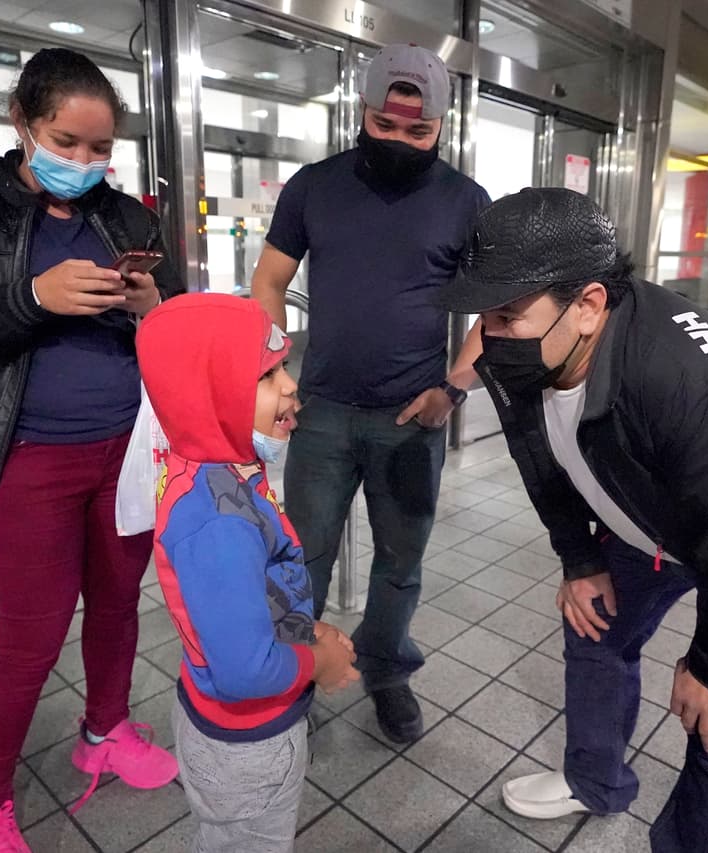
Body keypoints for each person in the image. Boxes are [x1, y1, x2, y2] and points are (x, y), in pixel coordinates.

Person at [438, 187, 708, 853]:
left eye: (508, 313)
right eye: (484, 316)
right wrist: (580, 560)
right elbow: (542, 460)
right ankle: (595, 778)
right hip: (661, 504)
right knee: (593, 625)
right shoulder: (517, 353)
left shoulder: (693, 381)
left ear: (588, 305)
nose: (490, 335)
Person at [0, 47, 182, 853]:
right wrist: (30, 297)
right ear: (20, 120)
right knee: (33, 632)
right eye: (65, 142)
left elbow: (173, 324)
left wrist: (155, 302)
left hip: (124, 454)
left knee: (120, 604)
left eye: (99, 150)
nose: (83, 163)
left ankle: (105, 730)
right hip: (19, 456)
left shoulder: (125, 218)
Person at [250, 44, 491, 742]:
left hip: (412, 420)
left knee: (399, 563)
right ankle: (294, 674)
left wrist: (452, 387)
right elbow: (268, 281)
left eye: (418, 132)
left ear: (441, 126)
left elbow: (498, 314)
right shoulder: (314, 187)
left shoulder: (464, 201)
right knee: (303, 557)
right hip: (320, 411)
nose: (400, 141)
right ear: (363, 113)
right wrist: (275, 373)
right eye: (386, 125)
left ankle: (386, 673)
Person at [137, 293, 360, 852]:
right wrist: (318, 662)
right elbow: (243, 672)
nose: (289, 385)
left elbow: (247, 601)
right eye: (266, 375)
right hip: (248, 748)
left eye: (284, 366)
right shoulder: (219, 524)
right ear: (204, 395)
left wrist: (302, 633)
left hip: (220, 725)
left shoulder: (204, 462)